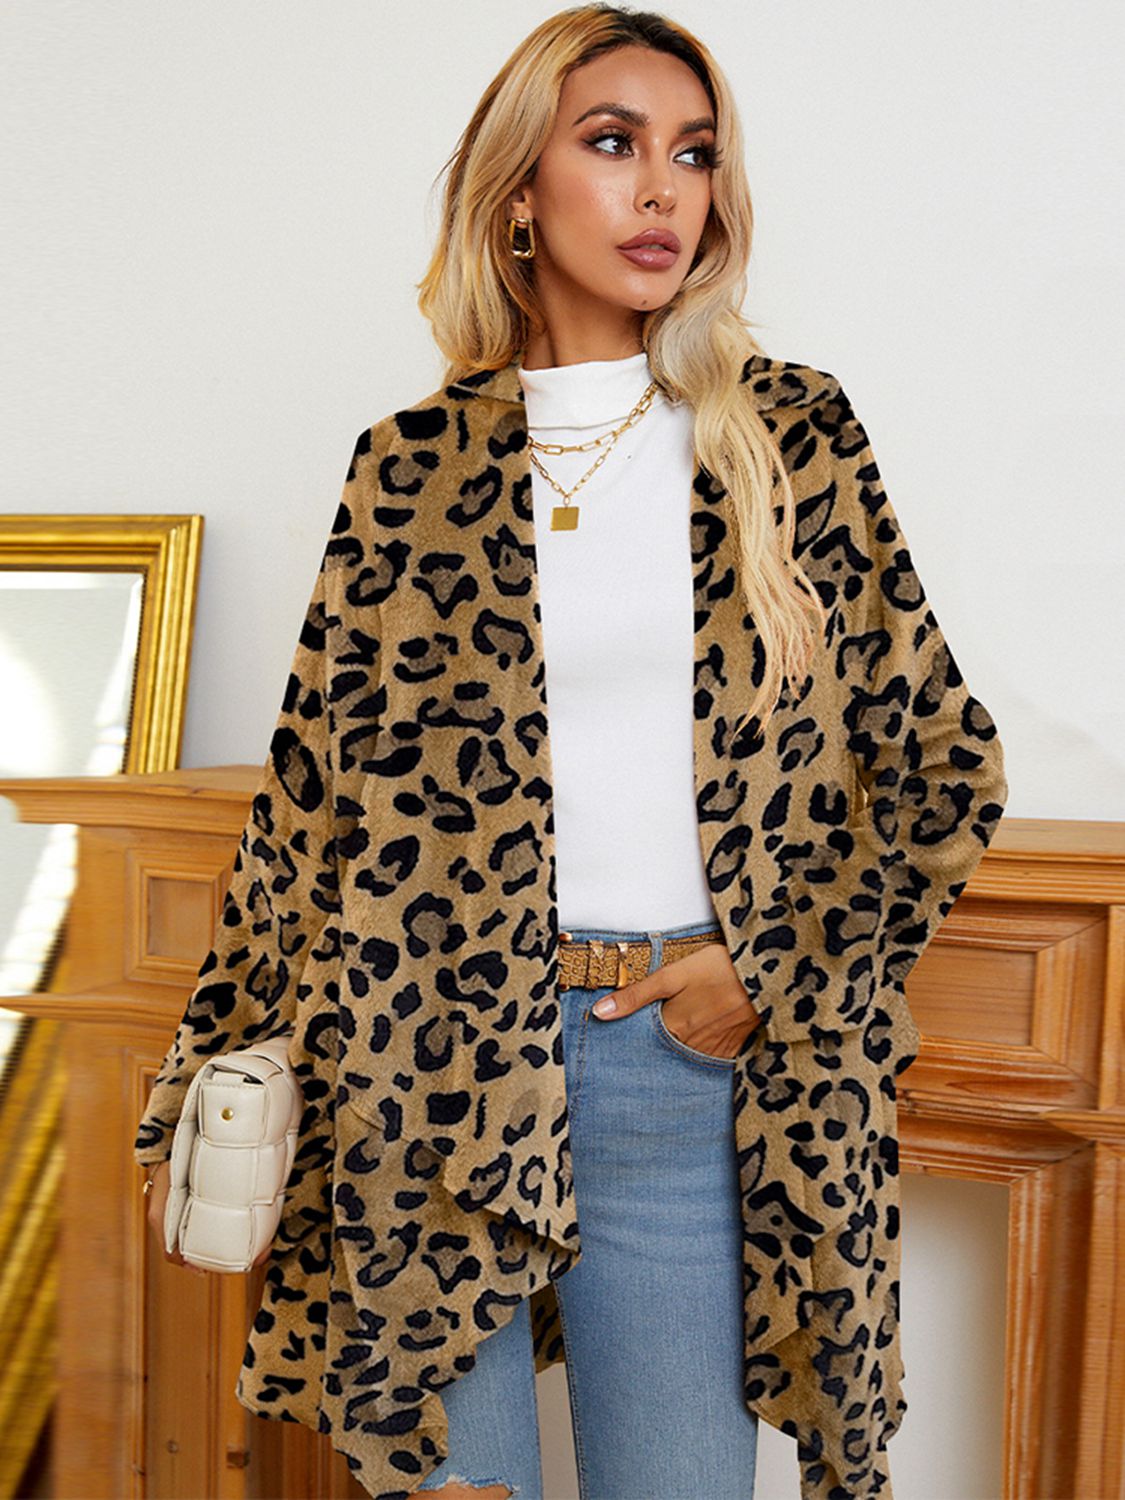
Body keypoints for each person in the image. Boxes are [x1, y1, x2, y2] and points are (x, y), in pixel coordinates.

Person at [136, 8, 1008, 1500]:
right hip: (429, 1068)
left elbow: (945, 767)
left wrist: (765, 973)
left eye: (695, 155)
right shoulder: (408, 467)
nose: (664, 189)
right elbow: (308, 817)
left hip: (684, 1068)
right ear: (519, 191)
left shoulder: (786, 438)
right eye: (613, 144)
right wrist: (192, 1078)